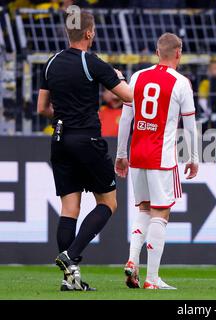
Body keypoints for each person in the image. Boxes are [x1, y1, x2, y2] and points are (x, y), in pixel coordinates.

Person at [37, 11, 133, 291]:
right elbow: (128, 97)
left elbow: (42, 108)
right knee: (108, 203)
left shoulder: (51, 62)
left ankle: (70, 281)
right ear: (89, 33)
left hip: (59, 138)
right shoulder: (92, 62)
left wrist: (64, 114)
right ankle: (71, 255)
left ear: (68, 33)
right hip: (86, 140)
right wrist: (118, 76)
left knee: (70, 208)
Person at [115, 33, 199, 290]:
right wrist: (194, 157)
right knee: (161, 214)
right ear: (178, 53)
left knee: (144, 210)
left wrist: (121, 154)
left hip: (138, 154)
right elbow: (191, 125)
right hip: (161, 156)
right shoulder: (181, 82)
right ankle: (151, 278)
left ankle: (132, 260)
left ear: (156, 51)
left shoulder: (138, 77)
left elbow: (125, 120)